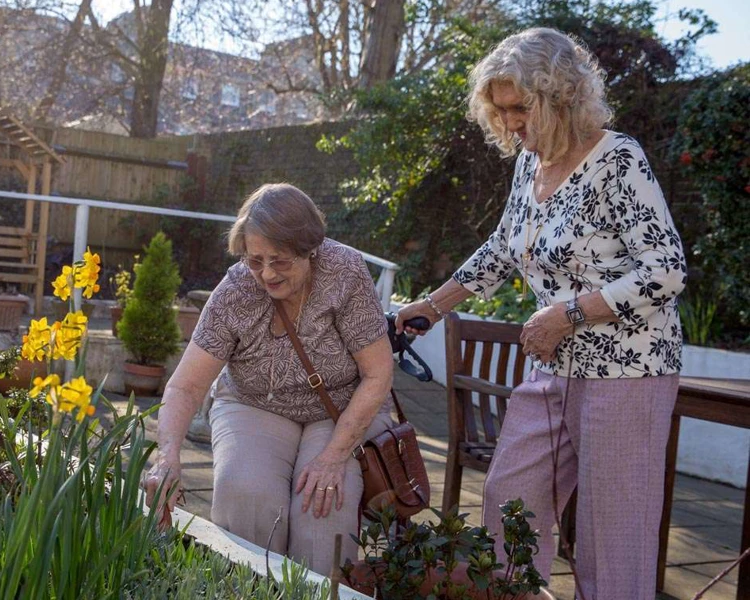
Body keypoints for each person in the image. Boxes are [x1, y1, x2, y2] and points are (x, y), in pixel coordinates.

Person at [396, 28, 687, 599]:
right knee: (510, 503)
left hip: (628, 373)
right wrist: (430, 307)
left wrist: (569, 315)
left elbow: (665, 269)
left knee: (613, 536)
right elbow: (503, 248)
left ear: (561, 97)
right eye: (498, 110)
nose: (508, 123)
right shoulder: (528, 168)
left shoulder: (618, 160)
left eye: (519, 107)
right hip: (551, 368)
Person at [143, 183, 394, 575]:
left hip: (341, 406)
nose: (266, 274)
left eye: (280, 260)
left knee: (323, 510)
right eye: (255, 259)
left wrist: (332, 457)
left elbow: (378, 374)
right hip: (253, 402)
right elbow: (185, 385)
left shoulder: (343, 271)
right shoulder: (236, 290)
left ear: (310, 248)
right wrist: (168, 457)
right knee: (247, 496)